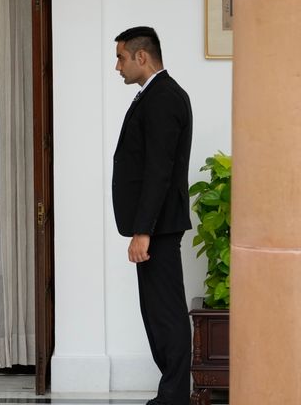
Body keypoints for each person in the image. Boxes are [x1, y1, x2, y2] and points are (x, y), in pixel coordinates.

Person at [112, 27, 193, 405]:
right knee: (157, 313)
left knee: (166, 314)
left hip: (158, 227)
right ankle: (171, 394)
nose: (118, 66)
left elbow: (160, 169)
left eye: (121, 57)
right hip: (156, 226)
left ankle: (174, 398)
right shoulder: (155, 94)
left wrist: (143, 230)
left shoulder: (163, 97)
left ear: (141, 57)